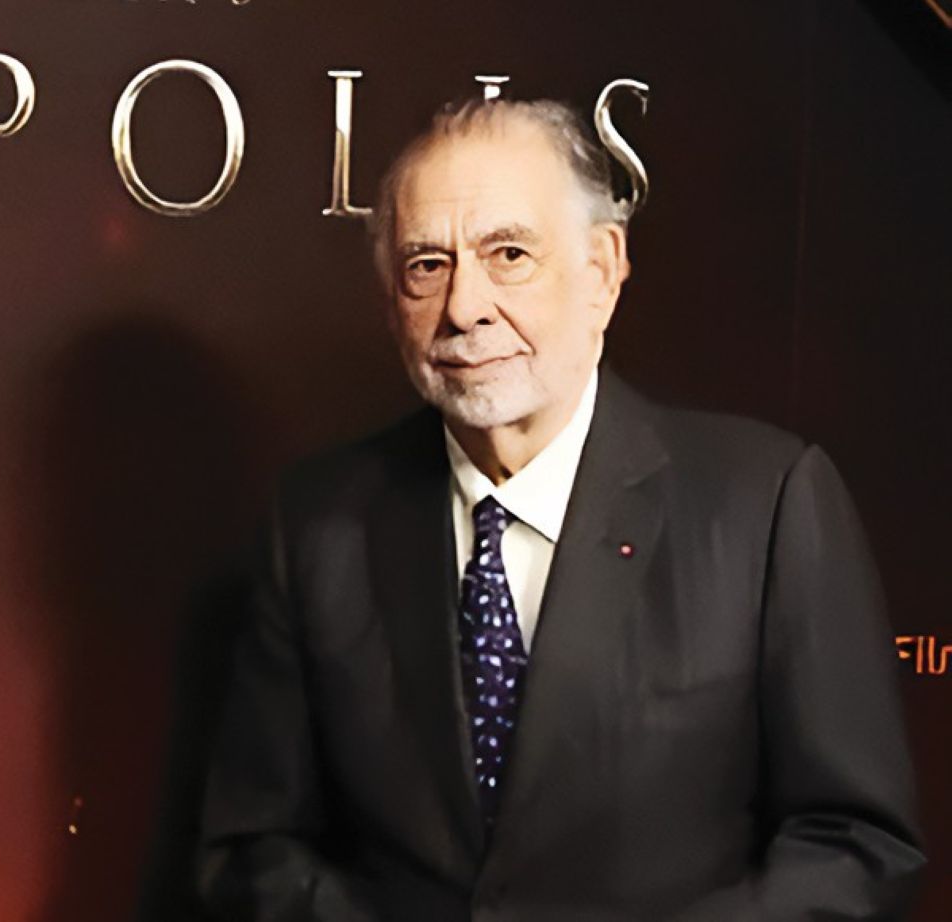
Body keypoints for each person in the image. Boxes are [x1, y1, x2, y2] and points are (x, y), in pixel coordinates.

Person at [197, 97, 925, 920]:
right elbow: (252, 849)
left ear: (602, 270)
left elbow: (856, 843)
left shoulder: (766, 506)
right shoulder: (317, 525)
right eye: (427, 265)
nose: (464, 308)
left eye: (508, 254)